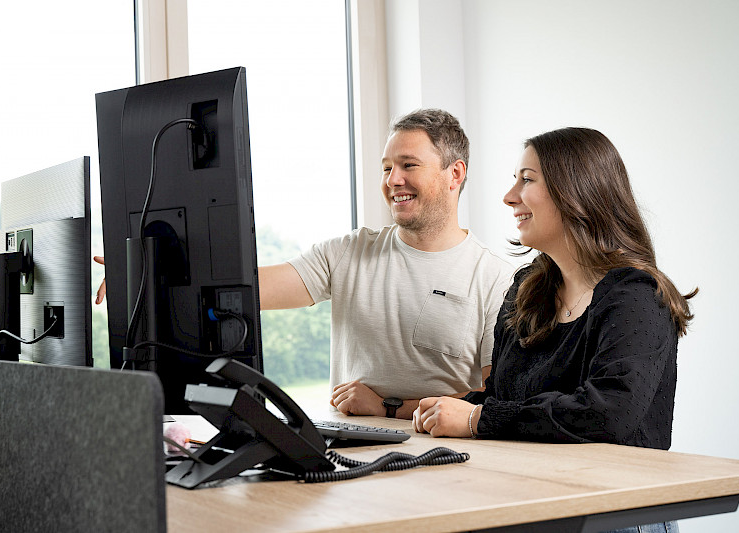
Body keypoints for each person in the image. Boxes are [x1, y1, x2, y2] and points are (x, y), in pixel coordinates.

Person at [95, 109, 514, 420]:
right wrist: (148, 275)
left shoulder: (495, 278)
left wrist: (389, 407)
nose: (392, 181)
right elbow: (245, 288)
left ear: (454, 174)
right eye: (387, 168)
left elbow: (494, 398)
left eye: (408, 165)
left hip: (446, 457)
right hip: (351, 451)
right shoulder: (349, 252)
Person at [412, 127, 695, 532]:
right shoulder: (528, 289)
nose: (510, 196)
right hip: (536, 502)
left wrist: (477, 419)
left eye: (527, 180)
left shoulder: (636, 297)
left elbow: (608, 414)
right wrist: (434, 412)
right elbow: (503, 399)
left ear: (576, 191)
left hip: (615, 515)